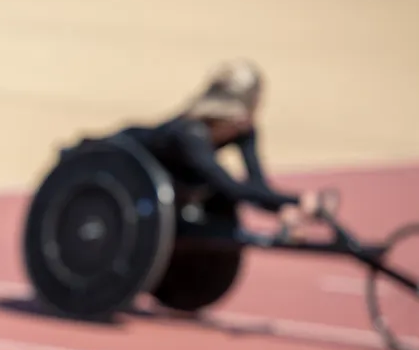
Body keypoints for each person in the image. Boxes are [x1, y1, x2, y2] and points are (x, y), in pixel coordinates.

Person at [117, 59, 322, 235]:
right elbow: (228, 186)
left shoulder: (244, 131)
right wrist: (296, 200)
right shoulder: (189, 132)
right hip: (120, 156)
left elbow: (257, 185)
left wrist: (282, 209)